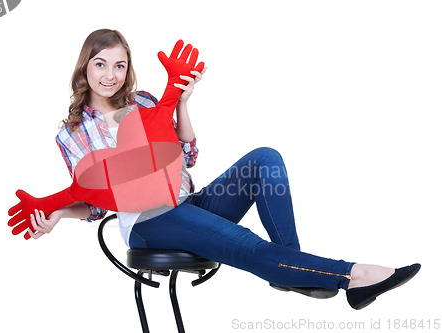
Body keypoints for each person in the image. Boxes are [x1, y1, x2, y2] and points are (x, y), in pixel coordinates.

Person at [28, 29, 420, 310]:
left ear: (128, 68)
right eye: (100, 64)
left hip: (187, 202)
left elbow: (188, 156)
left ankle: (289, 264)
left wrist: (181, 103)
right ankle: (355, 275)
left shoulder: (147, 102)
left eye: (119, 65)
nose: (109, 75)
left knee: (265, 158)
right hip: (148, 221)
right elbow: (93, 200)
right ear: (86, 67)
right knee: (246, 244)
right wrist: (58, 215)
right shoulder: (75, 132)